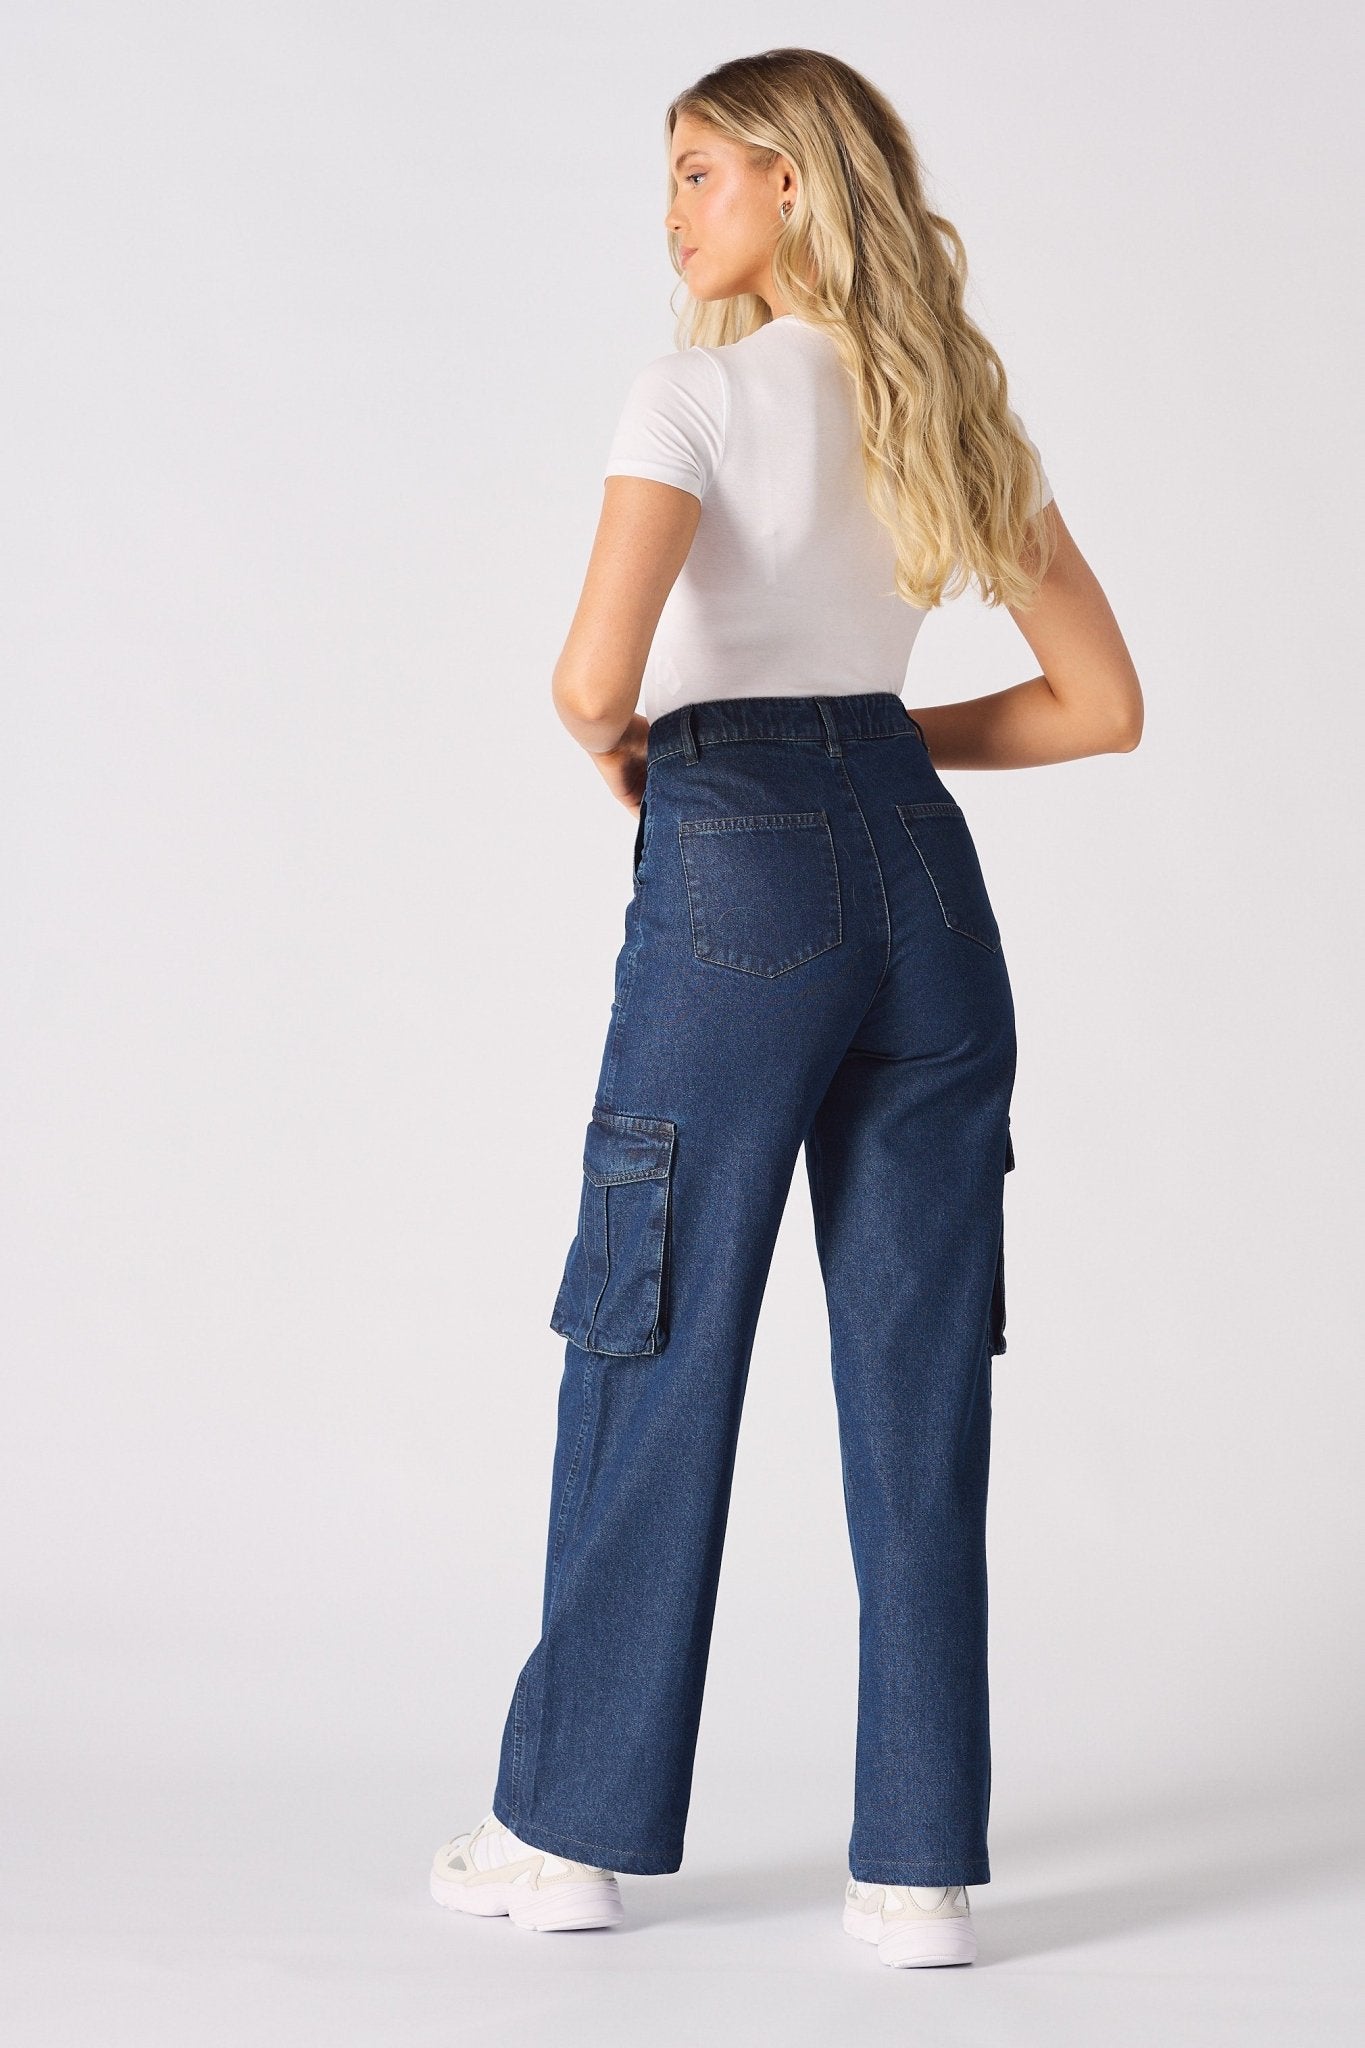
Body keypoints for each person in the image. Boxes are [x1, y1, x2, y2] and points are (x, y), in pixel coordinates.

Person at [429, 47, 1142, 1968]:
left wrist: (641, 747)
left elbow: (590, 681)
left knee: (650, 1317)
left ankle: (566, 1840)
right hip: (921, 884)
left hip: (733, 850)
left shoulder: (694, 394)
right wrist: (874, 749)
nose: (674, 216)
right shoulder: (946, 426)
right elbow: (1099, 705)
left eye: (699, 173)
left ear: (796, 187)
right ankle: (916, 1876)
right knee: (914, 1374)